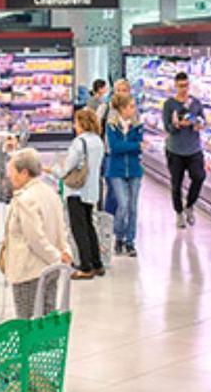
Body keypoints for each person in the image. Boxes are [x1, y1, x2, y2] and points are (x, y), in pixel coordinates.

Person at [3, 148, 73, 320]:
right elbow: (61, 229)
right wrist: (63, 254)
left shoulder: (25, 199)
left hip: (30, 272)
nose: (9, 177)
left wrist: (56, 257)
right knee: (46, 323)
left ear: (24, 172)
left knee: (28, 324)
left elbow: (35, 239)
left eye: (11, 172)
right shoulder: (51, 193)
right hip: (50, 271)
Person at [52, 109, 105, 281]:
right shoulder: (98, 141)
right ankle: (97, 263)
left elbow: (67, 168)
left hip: (76, 190)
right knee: (89, 225)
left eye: (76, 122)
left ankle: (85, 266)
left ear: (82, 123)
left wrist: (52, 170)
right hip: (91, 189)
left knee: (79, 228)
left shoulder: (79, 142)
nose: (75, 126)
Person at [162, 72, 206, 229]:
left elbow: (202, 120)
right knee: (176, 183)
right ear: (175, 86)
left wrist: (198, 123)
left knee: (199, 176)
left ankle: (190, 205)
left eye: (186, 85)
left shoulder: (195, 103)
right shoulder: (169, 104)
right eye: (181, 86)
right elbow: (167, 128)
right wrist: (177, 125)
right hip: (175, 150)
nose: (184, 89)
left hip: (194, 149)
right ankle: (179, 213)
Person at [104, 94, 143, 258]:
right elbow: (115, 147)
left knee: (133, 207)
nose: (134, 110)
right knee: (123, 205)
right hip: (116, 170)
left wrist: (130, 146)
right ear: (122, 109)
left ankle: (130, 241)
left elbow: (135, 146)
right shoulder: (111, 126)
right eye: (131, 106)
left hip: (134, 170)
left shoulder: (138, 125)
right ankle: (119, 236)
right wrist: (135, 146)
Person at [101, 78, 133, 215]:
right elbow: (96, 128)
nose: (121, 93)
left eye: (124, 90)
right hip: (111, 155)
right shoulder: (106, 108)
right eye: (118, 90)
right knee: (113, 190)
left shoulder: (133, 111)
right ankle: (109, 221)